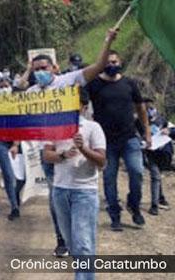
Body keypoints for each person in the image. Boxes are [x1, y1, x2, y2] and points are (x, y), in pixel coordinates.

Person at [30, 27, 117, 257]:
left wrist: (107, 41)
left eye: (43, 68)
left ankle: (81, 246)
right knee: (55, 198)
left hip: (75, 149)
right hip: (49, 151)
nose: (40, 72)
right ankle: (63, 240)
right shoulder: (30, 93)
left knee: (74, 197)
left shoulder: (66, 81)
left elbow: (98, 67)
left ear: (54, 68)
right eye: (36, 69)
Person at [43, 90, 106, 280]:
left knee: (84, 244)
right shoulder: (54, 127)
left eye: (74, 102)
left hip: (85, 191)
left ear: (83, 106)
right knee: (72, 243)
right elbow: (46, 155)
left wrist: (83, 149)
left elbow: (102, 161)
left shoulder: (93, 128)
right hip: (60, 191)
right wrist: (63, 155)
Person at [85, 50, 149, 230]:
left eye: (114, 62)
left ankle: (134, 206)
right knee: (109, 178)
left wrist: (147, 132)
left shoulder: (129, 83)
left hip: (130, 138)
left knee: (137, 172)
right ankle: (115, 215)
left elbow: (141, 108)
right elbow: (81, 105)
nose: (111, 65)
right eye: (108, 62)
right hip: (104, 142)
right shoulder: (94, 85)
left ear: (120, 62)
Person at [0, 77, 25, 220]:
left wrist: (16, 144)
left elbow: (21, 125)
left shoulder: (19, 104)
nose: (4, 89)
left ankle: (15, 194)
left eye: (6, 86)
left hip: (19, 142)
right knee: (8, 175)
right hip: (0, 141)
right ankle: (14, 207)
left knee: (23, 177)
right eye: (1, 86)